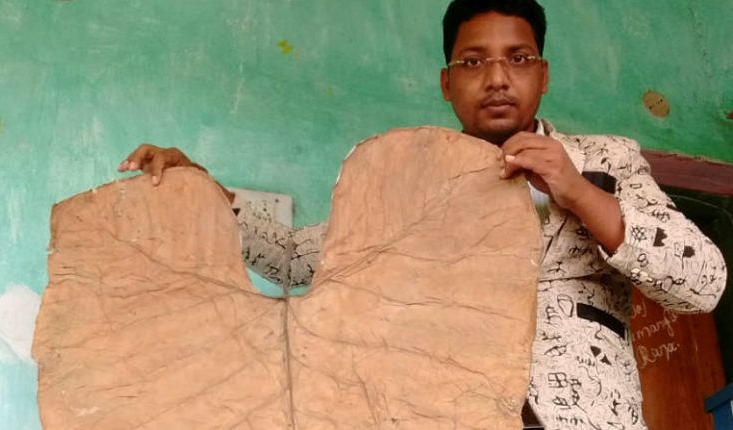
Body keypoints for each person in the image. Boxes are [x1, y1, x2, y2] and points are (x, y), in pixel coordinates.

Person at [118, 0, 727, 428]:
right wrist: (200, 188)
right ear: (446, 82)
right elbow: (295, 258)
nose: (496, 78)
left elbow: (702, 284)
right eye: (473, 62)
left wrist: (579, 192)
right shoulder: (408, 181)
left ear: (542, 75)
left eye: (518, 58)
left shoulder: (606, 159)